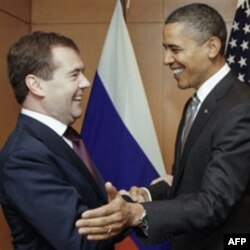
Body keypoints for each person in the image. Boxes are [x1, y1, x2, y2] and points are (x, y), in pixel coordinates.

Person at [75, 3, 250, 250]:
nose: (167, 60)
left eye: (174, 49)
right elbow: (187, 183)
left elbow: (213, 203)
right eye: (165, 49)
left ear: (212, 47)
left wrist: (138, 214)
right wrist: (146, 196)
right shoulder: (196, 103)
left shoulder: (240, 108)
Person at [0, 31, 126, 250]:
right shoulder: (23, 157)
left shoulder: (66, 137)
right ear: (36, 85)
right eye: (74, 74)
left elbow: (93, 209)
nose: (85, 83)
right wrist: (128, 212)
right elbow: (81, 241)